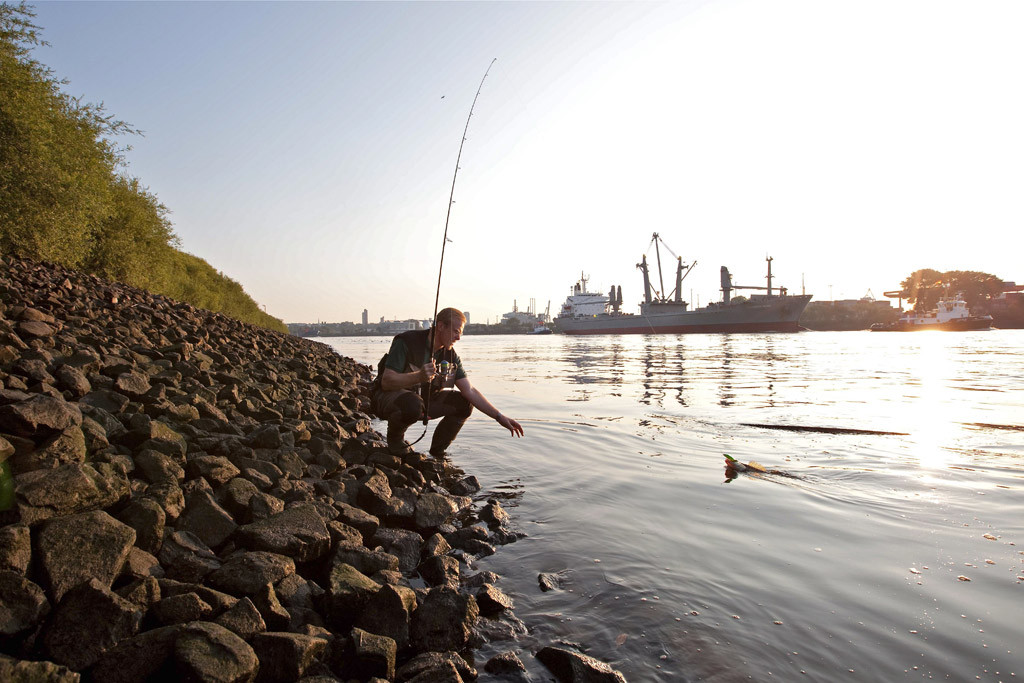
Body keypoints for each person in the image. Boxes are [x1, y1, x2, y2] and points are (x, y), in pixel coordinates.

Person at [371, 307, 524, 457]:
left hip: (425, 402)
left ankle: (437, 452)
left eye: (460, 333)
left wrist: (499, 417)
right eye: (456, 331)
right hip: (389, 400)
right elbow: (387, 381)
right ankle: (395, 441)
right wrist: (418, 376)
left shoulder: (450, 355)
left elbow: (469, 390)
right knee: (412, 404)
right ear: (441, 326)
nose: (458, 338)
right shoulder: (406, 341)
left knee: (465, 404)